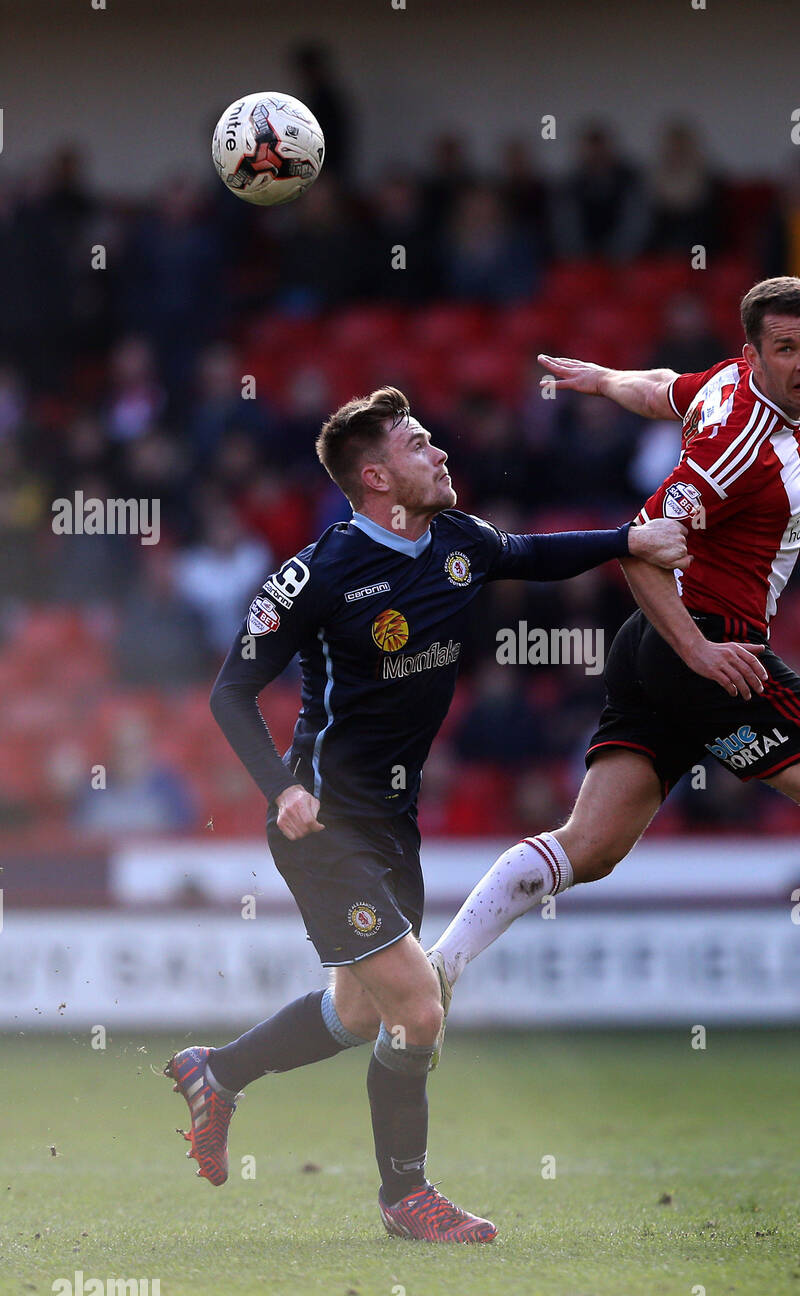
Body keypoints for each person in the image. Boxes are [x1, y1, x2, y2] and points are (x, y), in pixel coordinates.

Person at [428, 277, 800, 1064]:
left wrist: (603, 381)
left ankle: (438, 969)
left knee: (588, 846)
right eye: (787, 350)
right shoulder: (742, 442)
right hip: (704, 644)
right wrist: (698, 651)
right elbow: (638, 546)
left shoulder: (726, 386)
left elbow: (664, 387)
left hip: (650, 649)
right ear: (753, 355)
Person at [165, 387, 688, 1242]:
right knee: (420, 1009)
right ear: (376, 476)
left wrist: (631, 539)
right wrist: (281, 788)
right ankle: (406, 1198)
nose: (441, 453)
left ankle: (217, 1072)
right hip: (325, 822)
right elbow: (231, 692)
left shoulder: (457, 541)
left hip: (393, 823)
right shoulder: (316, 573)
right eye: (419, 445)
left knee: (362, 1013)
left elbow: (531, 554)